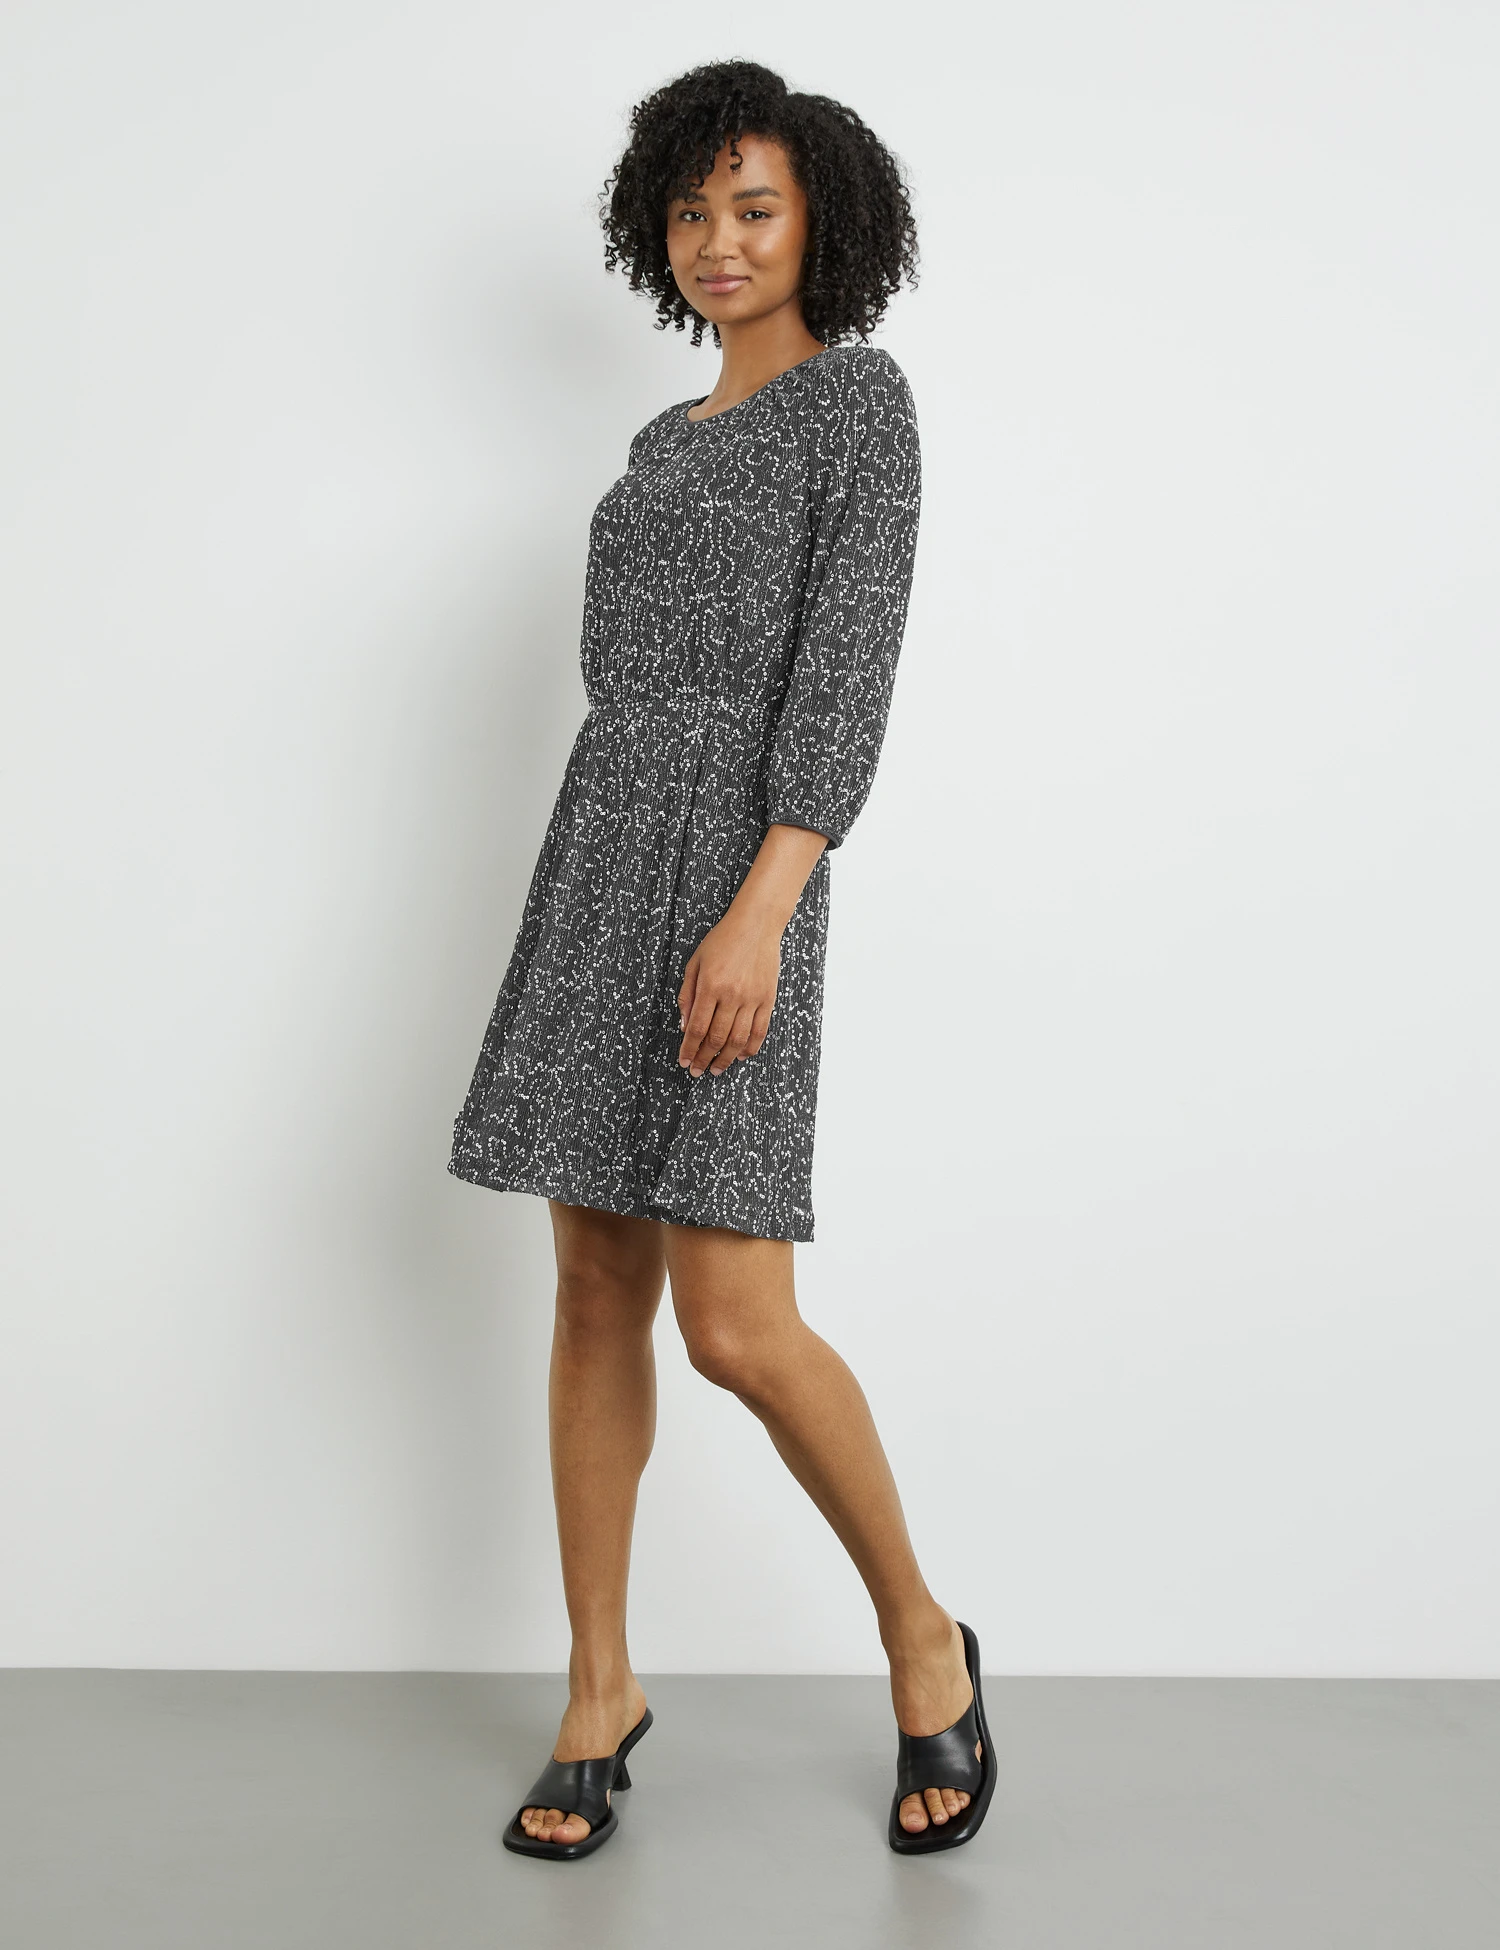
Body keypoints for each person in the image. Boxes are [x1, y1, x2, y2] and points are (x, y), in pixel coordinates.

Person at [449, 58, 993, 1859]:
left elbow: (845, 671)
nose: (720, 241)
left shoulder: (862, 408)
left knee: (738, 1325)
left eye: (753, 207)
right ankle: (598, 1686)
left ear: (821, 216)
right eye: (691, 212)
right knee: (591, 1288)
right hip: (598, 858)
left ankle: (925, 1637)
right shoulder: (658, 442)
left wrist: (762, 906)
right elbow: (620, 683)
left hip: (742, 868)